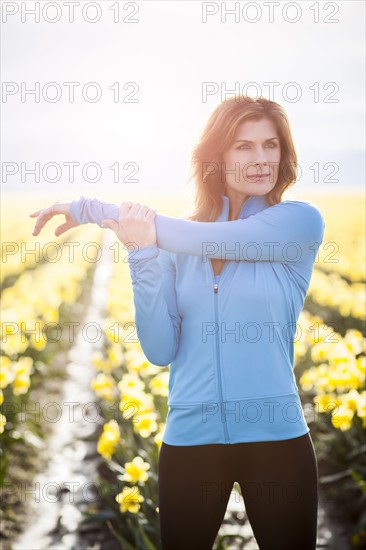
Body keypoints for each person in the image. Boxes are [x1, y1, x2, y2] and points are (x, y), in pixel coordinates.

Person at [30, 95, 324, 550]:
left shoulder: (296, 223)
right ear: (217, 156)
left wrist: (92, 209)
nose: (262, 159)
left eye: (271, 145)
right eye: (244, 147)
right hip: (191, 440)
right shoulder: (170, 244)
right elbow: (160, 350)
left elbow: (203, 236)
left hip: (277, 442)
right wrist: (143, 255)